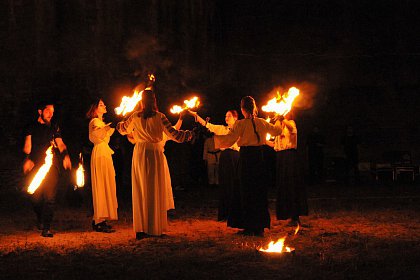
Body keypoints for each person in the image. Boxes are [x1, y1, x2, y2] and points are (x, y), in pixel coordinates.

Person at [116, 90, 193, 239]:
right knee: (154, 189)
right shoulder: (160, 117)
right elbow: (175, 135)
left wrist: (120, 122)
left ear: (141, 102)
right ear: (154, 101)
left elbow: (123, 129)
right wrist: (189, 135)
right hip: (154, 153)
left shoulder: (135, 116)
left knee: (141, 190)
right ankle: (153, 229)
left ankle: (141, 229)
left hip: (139, 153)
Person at [212, 96, 282, 236]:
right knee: (258, 191)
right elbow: (277, 131)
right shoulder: (262, 122)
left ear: (243, 109)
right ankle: (259, 227)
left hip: (246, 159)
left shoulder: (240, 124)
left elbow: (230, 139)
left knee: (246, 191)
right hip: (259, 158)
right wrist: (279, 119)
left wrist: (217, 142)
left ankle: (249, 227)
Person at [22, 101, 72, 237]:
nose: (51, 114)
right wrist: (27, 159)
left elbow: (60, 144)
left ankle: (47, 228)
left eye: (53, 111)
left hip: (51, 166)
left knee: (50, 197)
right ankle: (40, 217)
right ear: (40, 111)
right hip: (35, 166)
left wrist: (66, 156)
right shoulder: (31, 127)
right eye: (48, 110)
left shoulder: (54, 127)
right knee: (35, 197)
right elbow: (27, 146)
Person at [191, 110, 240, 221]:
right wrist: (196, 115)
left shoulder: (240, 128)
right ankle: (225, 213)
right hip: (225, 156)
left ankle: (235, 213)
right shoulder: (222, 129)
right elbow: (207, 124)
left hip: (236, 156)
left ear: (235, 118)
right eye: (225, 115)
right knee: (225, 184)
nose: (226, 118)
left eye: (229, 116)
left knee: (235, 183)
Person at [86, 98, 118, 233]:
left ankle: (101, 219)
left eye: (104, 103)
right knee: (101, 185)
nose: (104, 105)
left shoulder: (101, 122)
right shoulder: (94, 122)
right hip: (99, 153)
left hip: (105, 152)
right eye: (100, 104)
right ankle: (98, 221)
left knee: (106, 184)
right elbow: (98, 133)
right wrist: (108, 127)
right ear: (95, 109)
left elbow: (107, 131)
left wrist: (111, 126)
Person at [273, 112, 308, 227]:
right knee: (283, 185)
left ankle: (295, 215)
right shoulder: (279, 126)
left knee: (291, 184)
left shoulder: (291, 123)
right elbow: (275, 144)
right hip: (280, 157)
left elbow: (292, 129)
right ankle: (286, 214)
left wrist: (283, 119)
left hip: (289, 156)